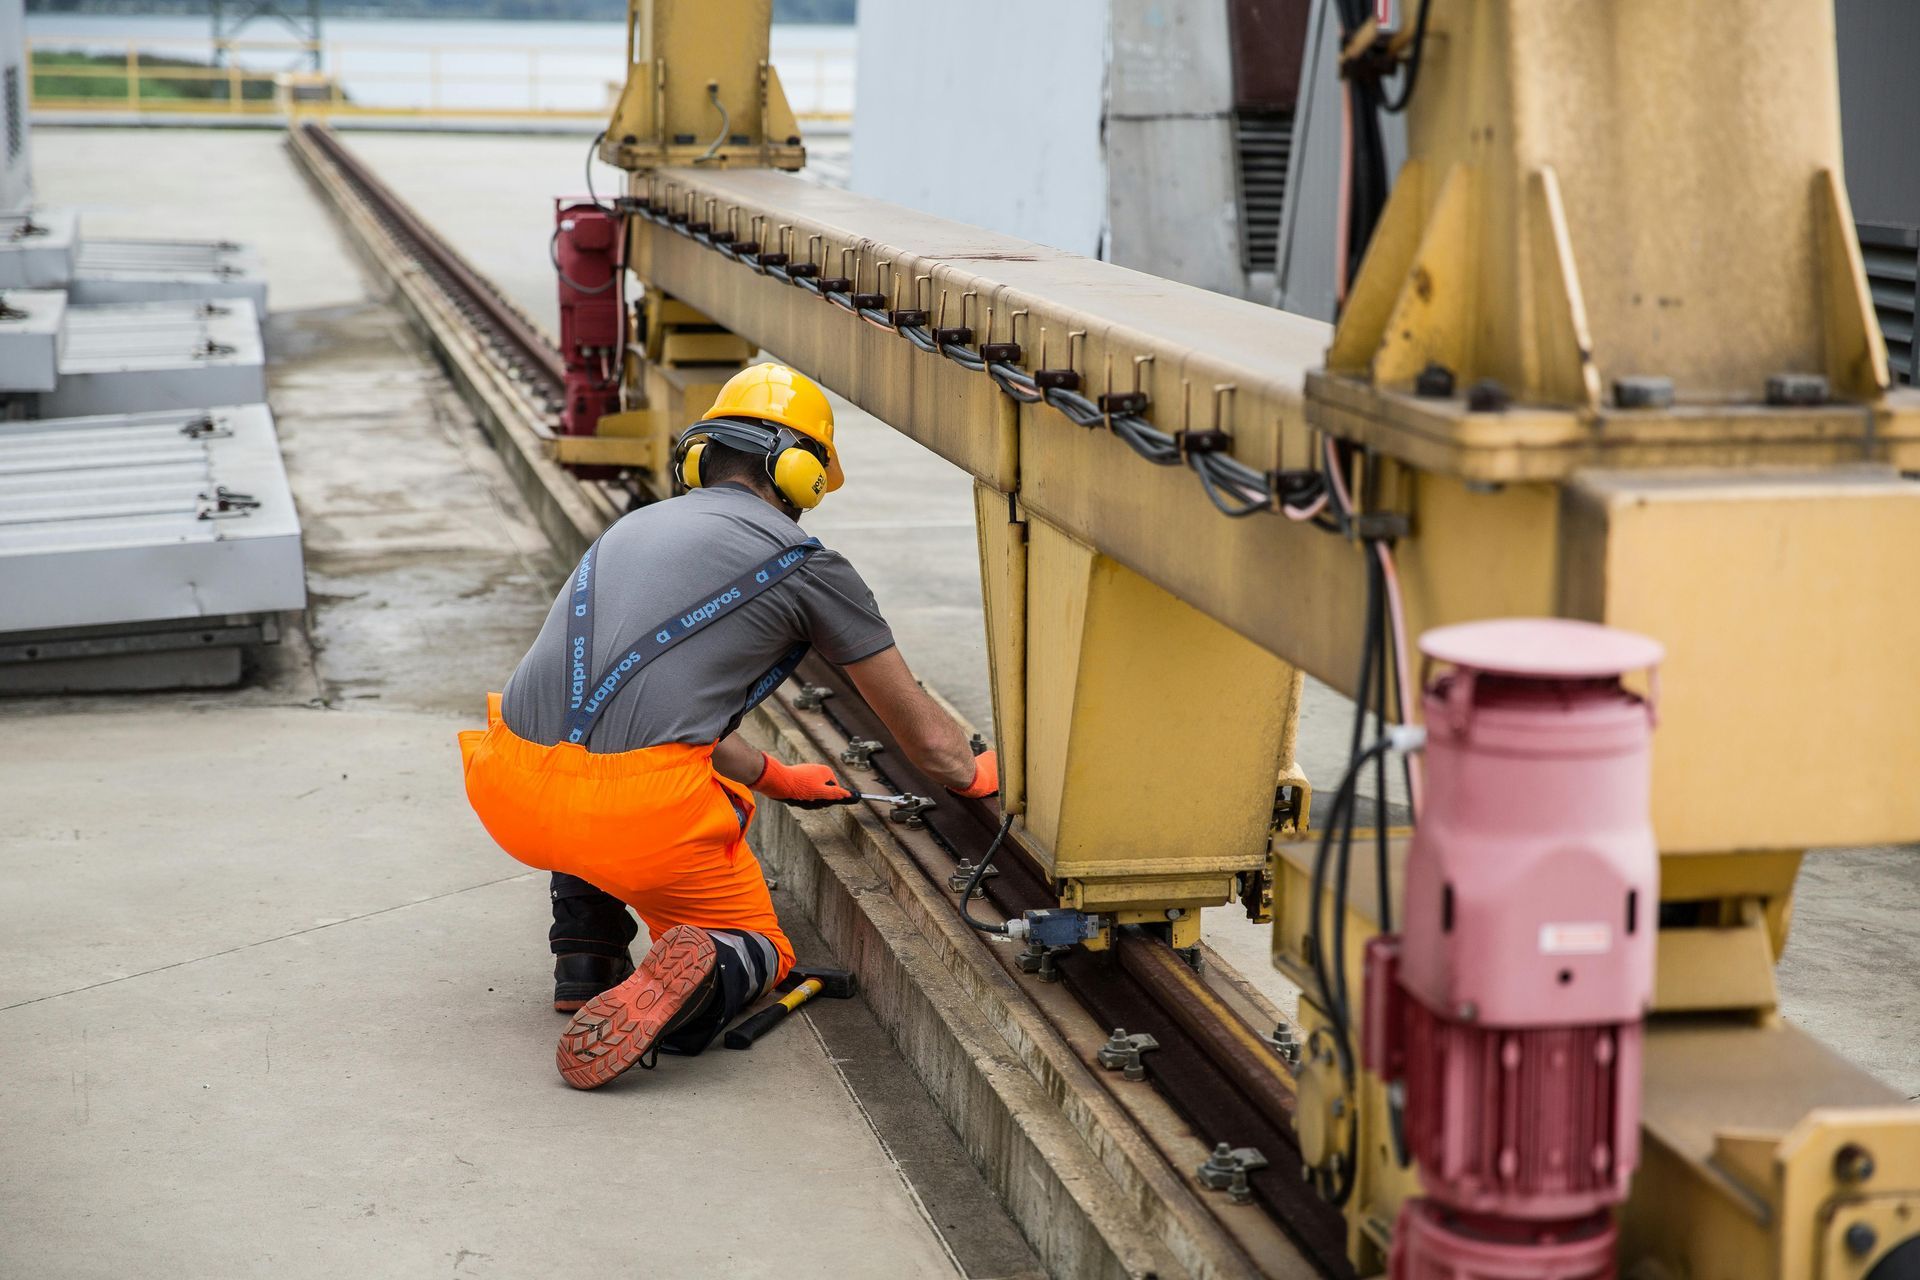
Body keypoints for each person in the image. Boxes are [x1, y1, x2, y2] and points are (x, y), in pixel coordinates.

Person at [459, 363, 996, 1090]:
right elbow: (935, 749)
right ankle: (710, 969)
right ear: (804, 476)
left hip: (509, 784)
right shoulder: (809, 566)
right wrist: (980, 772)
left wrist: (778, 776)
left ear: (698, 457)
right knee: (763, 946)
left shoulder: (634, 527)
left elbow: (652, 706)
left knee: (590, 747)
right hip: (638, 817)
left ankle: (584, 959)